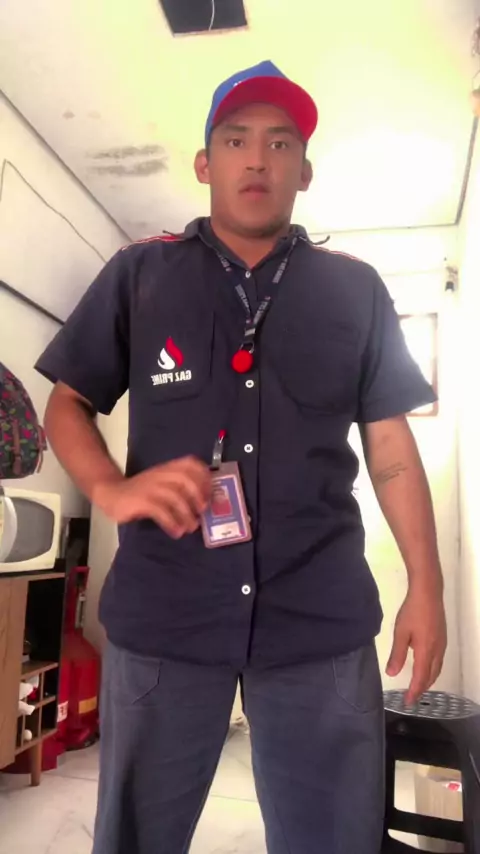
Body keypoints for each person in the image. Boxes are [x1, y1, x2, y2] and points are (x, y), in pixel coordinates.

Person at [35, 60, 447, 854]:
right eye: (236, 140)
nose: (257, 159)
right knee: (136, 838)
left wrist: (426, 585)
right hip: (166, 612)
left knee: (335, 839)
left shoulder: (355, 290)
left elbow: (392, 448)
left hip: (318, 617)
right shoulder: (140, 275)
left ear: (305, 170)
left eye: (280, 143)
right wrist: (111, 490)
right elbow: (67, 402)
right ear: (205, 163)